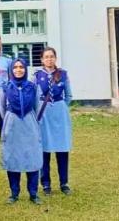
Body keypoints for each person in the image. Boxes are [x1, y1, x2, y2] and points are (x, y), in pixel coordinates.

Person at [0, 58, 43, 205]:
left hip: (29, 124)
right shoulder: (5, 87)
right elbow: (2, 109)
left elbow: (37, 107)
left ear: (25, 69)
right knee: (13, 157)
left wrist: (31, 120)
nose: (18, 70)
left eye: (21, 67)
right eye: (15, 67)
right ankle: (14, 193)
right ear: (11, 70)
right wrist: (10, 119)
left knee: (32, 157)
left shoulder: (33, 87)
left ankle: (33, 193)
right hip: (12, 125)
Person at [34, 47, 73, 196]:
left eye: (51, 56)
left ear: (55, 58)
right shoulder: (37, 76)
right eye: (46, 57)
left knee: (62, 148)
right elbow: (34, 95)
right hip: (44, 114)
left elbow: (68, 95)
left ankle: (64, 182)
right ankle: (45, 183)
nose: (49, 59)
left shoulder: (63, 74)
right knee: (44, 148)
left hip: (59, 113)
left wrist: (60, 107)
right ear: (42, 60)